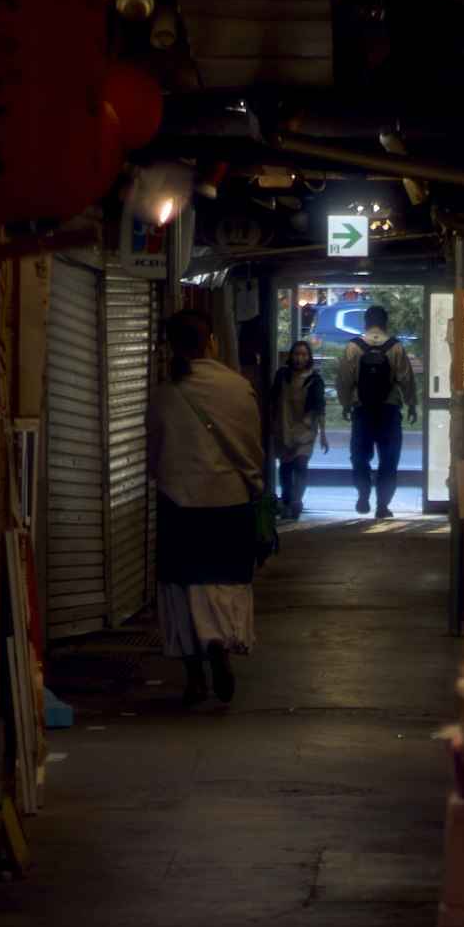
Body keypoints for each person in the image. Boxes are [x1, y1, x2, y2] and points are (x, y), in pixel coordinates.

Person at [147, 297, 268, 711]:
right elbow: (252, 451)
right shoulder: (238, 389)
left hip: (178, 507)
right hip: (228, 505)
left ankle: (194, 680)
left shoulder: (164, 395)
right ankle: (219, 646)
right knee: (224, 586)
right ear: (212, 343)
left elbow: (153, 456)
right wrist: (254, 486)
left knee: (179, 590)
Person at [345, 307, 412, 524]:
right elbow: (407, 379)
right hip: (389, 410)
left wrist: (345, 404)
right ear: (385, 323)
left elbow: (344, 379)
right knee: (389, 460)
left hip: (361, 410)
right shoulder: (396, 347)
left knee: (359, 456)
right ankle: (382, 505)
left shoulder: (353, 347)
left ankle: (363, 492)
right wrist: (412, 404)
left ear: (366, 322)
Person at [269, 327, 326, 519]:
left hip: (306, 429)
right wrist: (270, 422)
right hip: (284, 426)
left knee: (301, 463)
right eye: (296, 354)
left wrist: (324, 434)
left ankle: (296, 500)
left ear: (308, 357)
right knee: (285, 466)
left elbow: (320, 407)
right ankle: (286, 500)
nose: (299, 358)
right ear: (290, 356)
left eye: (303, 354)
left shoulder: (314, 380)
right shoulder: (281, 376)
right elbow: (272, 400)